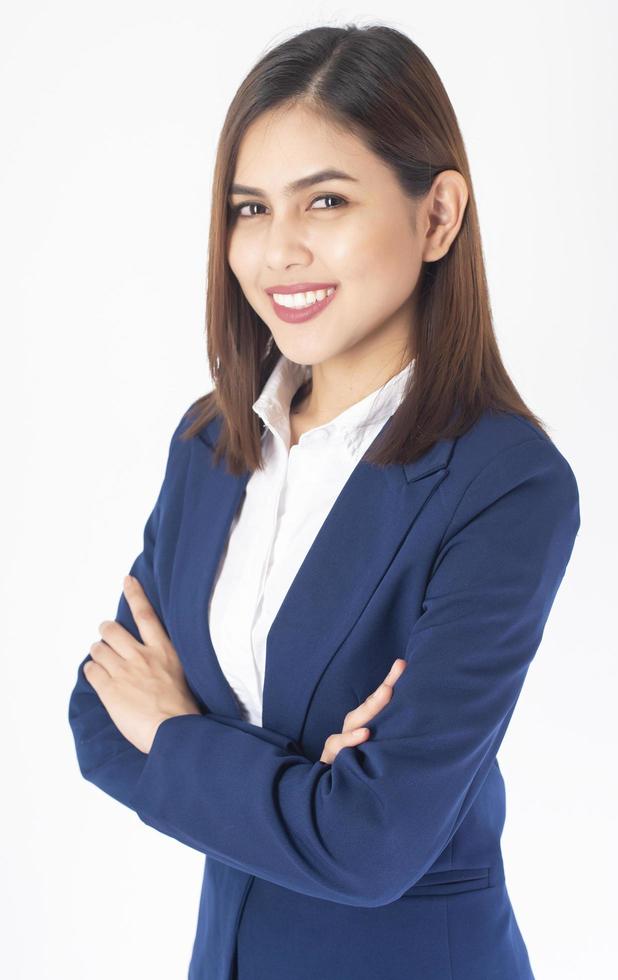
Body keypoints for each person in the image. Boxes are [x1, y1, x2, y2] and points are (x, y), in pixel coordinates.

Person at [68, 22, 581, 980]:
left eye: (328, 201)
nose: (278, 252)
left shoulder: (507, 485)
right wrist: (306, 785)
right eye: (251, 209)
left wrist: (180, 731)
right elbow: (100, 719)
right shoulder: (210, 444)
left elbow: (373, 843)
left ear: (438, 216)